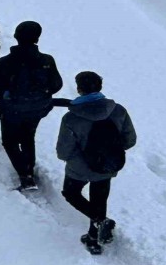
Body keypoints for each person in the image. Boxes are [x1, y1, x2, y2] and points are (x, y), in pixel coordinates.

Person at [56, 71, 136, 254]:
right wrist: (110, 151)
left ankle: (100, 221)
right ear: (100, 87)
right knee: (99, 198)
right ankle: (94, 238)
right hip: (108, 164)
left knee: (71, 193)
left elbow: (64, 150)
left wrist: (75, 160)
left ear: (79, 89)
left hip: (79, 168)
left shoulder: (71, 117)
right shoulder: (118, 110)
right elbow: (130, 140)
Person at [0, 21, 63, 190]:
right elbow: (56, 85)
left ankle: (25, 176)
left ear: (16, 36)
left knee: (10, 141)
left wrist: (1, 92)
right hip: (38, 109)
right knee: (28, 138)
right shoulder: (47, 60)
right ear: (37, 38)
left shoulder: (5, 62)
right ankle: (29, 170)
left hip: (11, 110)